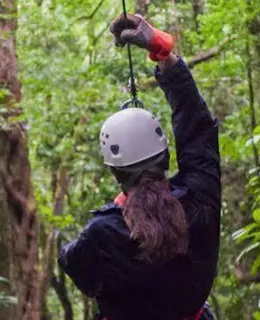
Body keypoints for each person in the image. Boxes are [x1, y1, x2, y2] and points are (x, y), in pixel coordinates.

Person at [58, 13, 221, 320]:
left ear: (115, 172)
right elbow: (198, 130)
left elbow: (75, 266)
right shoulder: (200, 198)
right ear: (166, 156)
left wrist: (120, 209)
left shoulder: (102, 233)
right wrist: (162, 51)